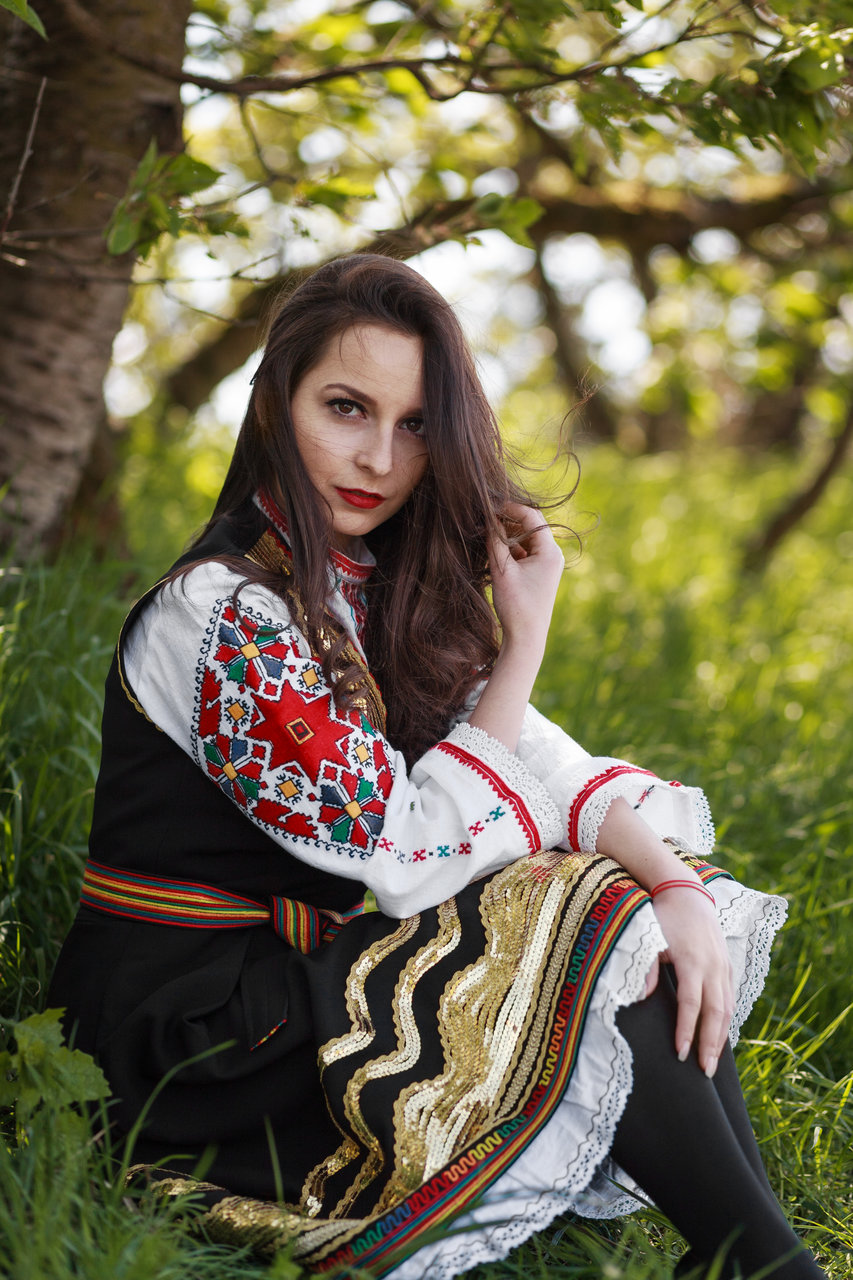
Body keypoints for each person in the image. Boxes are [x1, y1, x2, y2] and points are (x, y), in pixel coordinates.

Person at [48, 254, 825, 1280]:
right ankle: (764, 1265)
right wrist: (524, 641)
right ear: (275, 404)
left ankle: (754, 1258)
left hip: (295, 990)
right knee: (582, 912)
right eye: (345, 407)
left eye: (414, 425)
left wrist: (674, 888)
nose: (377, 456)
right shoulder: (222, 615)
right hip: (186, 1035)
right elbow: (409, 856)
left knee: (624, 901)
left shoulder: (370, 589)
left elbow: (540, 765)